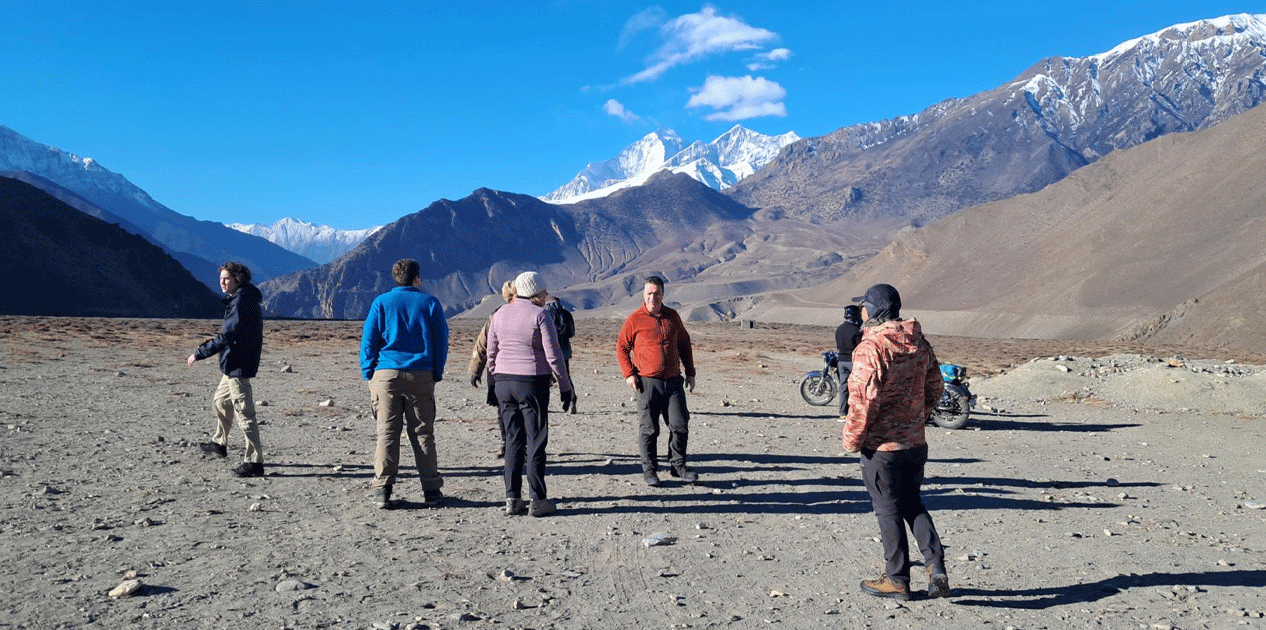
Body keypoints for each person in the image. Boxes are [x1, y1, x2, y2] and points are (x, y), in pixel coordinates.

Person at [841, 283, 950, 601]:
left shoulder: (870, 348)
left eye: (863, 306)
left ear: (873, 310)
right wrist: (919, 415)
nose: (861, 311)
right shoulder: (920, 342)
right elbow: (936, 385)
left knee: (887, 510)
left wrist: (852, 440)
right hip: (915, 444)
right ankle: (936, 568)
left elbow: (862, 402)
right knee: (913, 503)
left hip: (883, 448)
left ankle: (897, 580)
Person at [360, 259, 449, 510]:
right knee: (422, 433)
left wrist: (369, 372)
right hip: (420, 374)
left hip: (386, 374)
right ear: (416, 279)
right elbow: (441, 341)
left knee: (387, 432)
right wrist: (436, 372)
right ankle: (431, 490)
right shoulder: (430, 303)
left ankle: (382, 490)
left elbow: (369, 340)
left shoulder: (381, 303)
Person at [487, 271, 572, 517]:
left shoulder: (499, 314)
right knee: (535, 439)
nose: (546, 295)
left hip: (503, 382)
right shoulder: (541, 315)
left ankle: (512, 499)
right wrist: (565, 385)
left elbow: (491, 352)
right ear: (535, 293)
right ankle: (538, 499)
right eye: (543, 292)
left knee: (513, 440)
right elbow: (554, 355)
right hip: (531, 382)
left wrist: (494, 380)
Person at [616, 275, 698, 487]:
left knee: (680, 425)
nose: (653, 297)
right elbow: (622, 348)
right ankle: (650, 470)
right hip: (647, 383)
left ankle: (678, 466)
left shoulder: (673, 316)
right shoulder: (635, 319)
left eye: (657, 293)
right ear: (644, 295)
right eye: (649, 293)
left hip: (673, 382)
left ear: (663, 294)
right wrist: (629, 373)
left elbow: (684, 344)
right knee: (649, 429)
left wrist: (690, 372)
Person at [187, 262, 267, 478]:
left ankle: (254, 462)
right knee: (220, 401)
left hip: (238, 365)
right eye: (221, 278)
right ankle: (219, 442)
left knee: (244, 413)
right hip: (233, 363)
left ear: (238, 280)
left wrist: (200, 352)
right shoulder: (243, 297)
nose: (222, 283)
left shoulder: (241, 301)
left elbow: (228, 335)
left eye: (227, 279)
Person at [468, 280, 516, 457]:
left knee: (506, 410)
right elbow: (482, 344)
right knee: (504, 409)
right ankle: (507, 443)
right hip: (501, 371)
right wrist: (475, 370)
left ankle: (513, 445)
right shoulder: (497, 316)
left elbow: (481, 344)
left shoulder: (498, 315)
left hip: (500, 371)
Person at [544, 296, 578, 414]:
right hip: (564, 351)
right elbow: (571, 333)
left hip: (547, 351)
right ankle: (572, 401)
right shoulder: (567, 314)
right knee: (565, 376)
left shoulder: (544, 314)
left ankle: (543, 404)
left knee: (545, 377)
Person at [834, 304, 863, 418]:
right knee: (857, 387)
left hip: (841, 361)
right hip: (852, 361)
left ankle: (842, 412)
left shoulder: (839, 329)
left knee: (843, 387)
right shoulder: (856, 330)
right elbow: (859, 346)